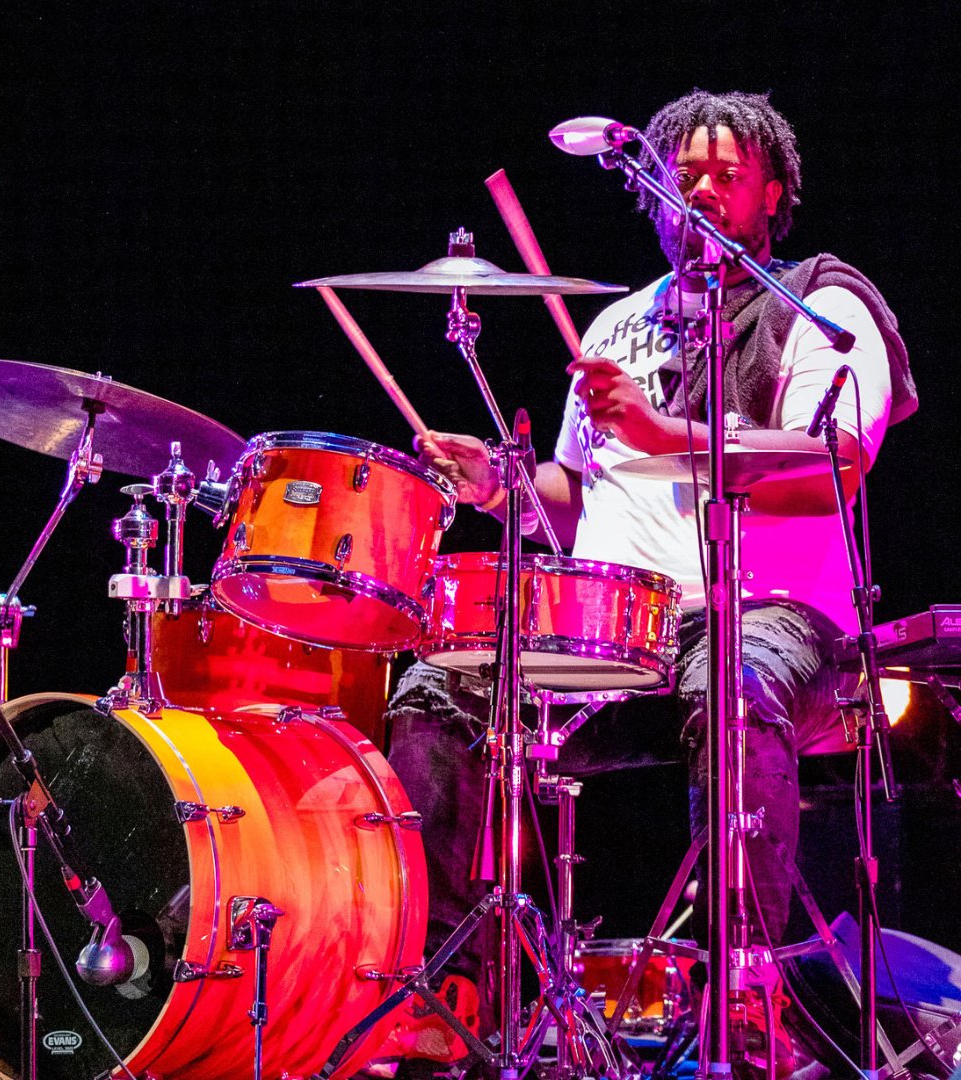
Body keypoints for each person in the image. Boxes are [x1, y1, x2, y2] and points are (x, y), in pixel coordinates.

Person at [381, 89, 917, 1077]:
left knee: (733, 689)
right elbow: (577, 501)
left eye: (728, 175)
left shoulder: (823, 302)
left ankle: (746, 991)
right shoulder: (620, 325)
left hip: (768, 620)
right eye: (687, 176)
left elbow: (832, 463)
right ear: (657, 195)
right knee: (436, 688)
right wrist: (500, 482)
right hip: (622, 630)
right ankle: (447, 981)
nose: (704, 191)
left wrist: (671, 436)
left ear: (772, 194)